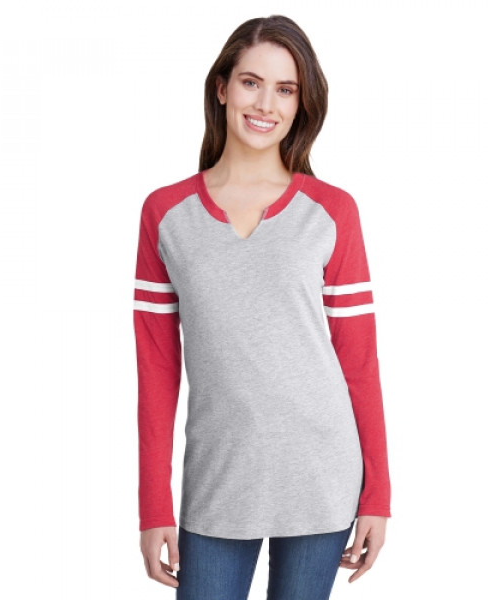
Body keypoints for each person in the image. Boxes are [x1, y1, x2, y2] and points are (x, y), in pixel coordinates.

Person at [133, 14, 392, 600]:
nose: (265, 104)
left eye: (285, 89)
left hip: (321, 475)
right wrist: (154, 505)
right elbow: (156, 370)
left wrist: (377, 495)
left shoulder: (332, 212)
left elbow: (359, 362)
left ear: (301, 103)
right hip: (219, 480)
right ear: (222, 87)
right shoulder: (165, 214)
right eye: (251, 82)